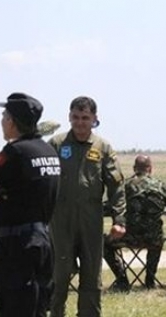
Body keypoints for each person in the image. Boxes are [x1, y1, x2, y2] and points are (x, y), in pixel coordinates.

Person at [0, 92, 61, 317]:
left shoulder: (15, 151)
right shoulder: (48, 150)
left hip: (15, 245)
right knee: (37, 307)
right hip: (42, 240)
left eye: (4, 116)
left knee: (14, 307)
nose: (2, 121)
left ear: (11, 121)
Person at [48, 96, 126, 317]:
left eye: (85, 118)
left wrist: (119, 220)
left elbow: (116, 185)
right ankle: (55, 313)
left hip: (91, 220)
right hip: (60, 220)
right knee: (60, 273)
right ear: (69, 117)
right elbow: (44, 181)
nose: (80, 122)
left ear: (94, 119)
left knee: (91, 275)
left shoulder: (103, 147)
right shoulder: (56, 144)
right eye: (75, 117)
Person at [103, 155, 166, 290]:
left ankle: (122, 279)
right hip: (153, 239)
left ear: (134, 168)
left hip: (128, 238)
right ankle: (150, 280)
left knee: (104, 244)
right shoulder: (159, 185)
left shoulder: (125, 185)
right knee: (157, 239)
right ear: (150, 168)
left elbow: (112, 206)